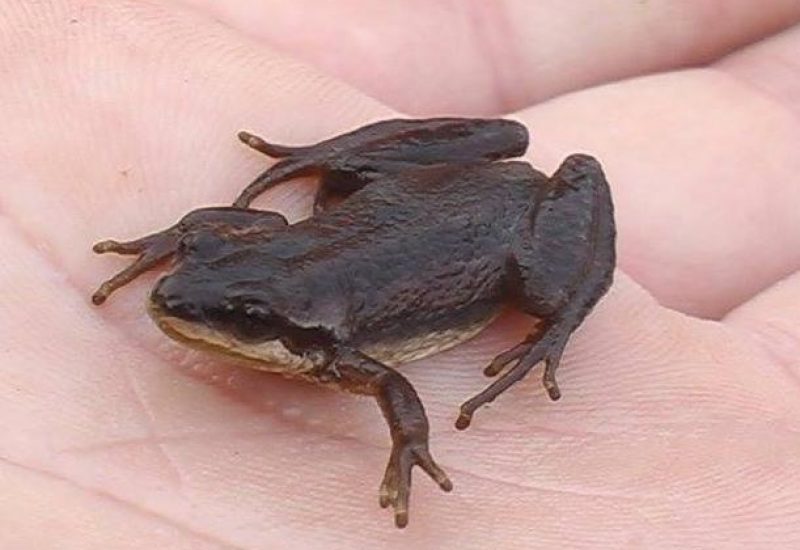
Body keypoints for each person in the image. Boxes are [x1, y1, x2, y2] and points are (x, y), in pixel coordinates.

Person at [1, 1, 799, 547]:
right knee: (338, 177)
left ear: (295, 333)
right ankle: (333, 160)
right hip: (409, 207)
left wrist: (411, 444)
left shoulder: (341, 352)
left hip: (498, 226)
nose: (175, 302)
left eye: (244, 316)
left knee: (542, 291)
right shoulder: (249, 283)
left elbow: (391, 387)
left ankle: (564, 316)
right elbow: (220, 230)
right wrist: (170, 241)